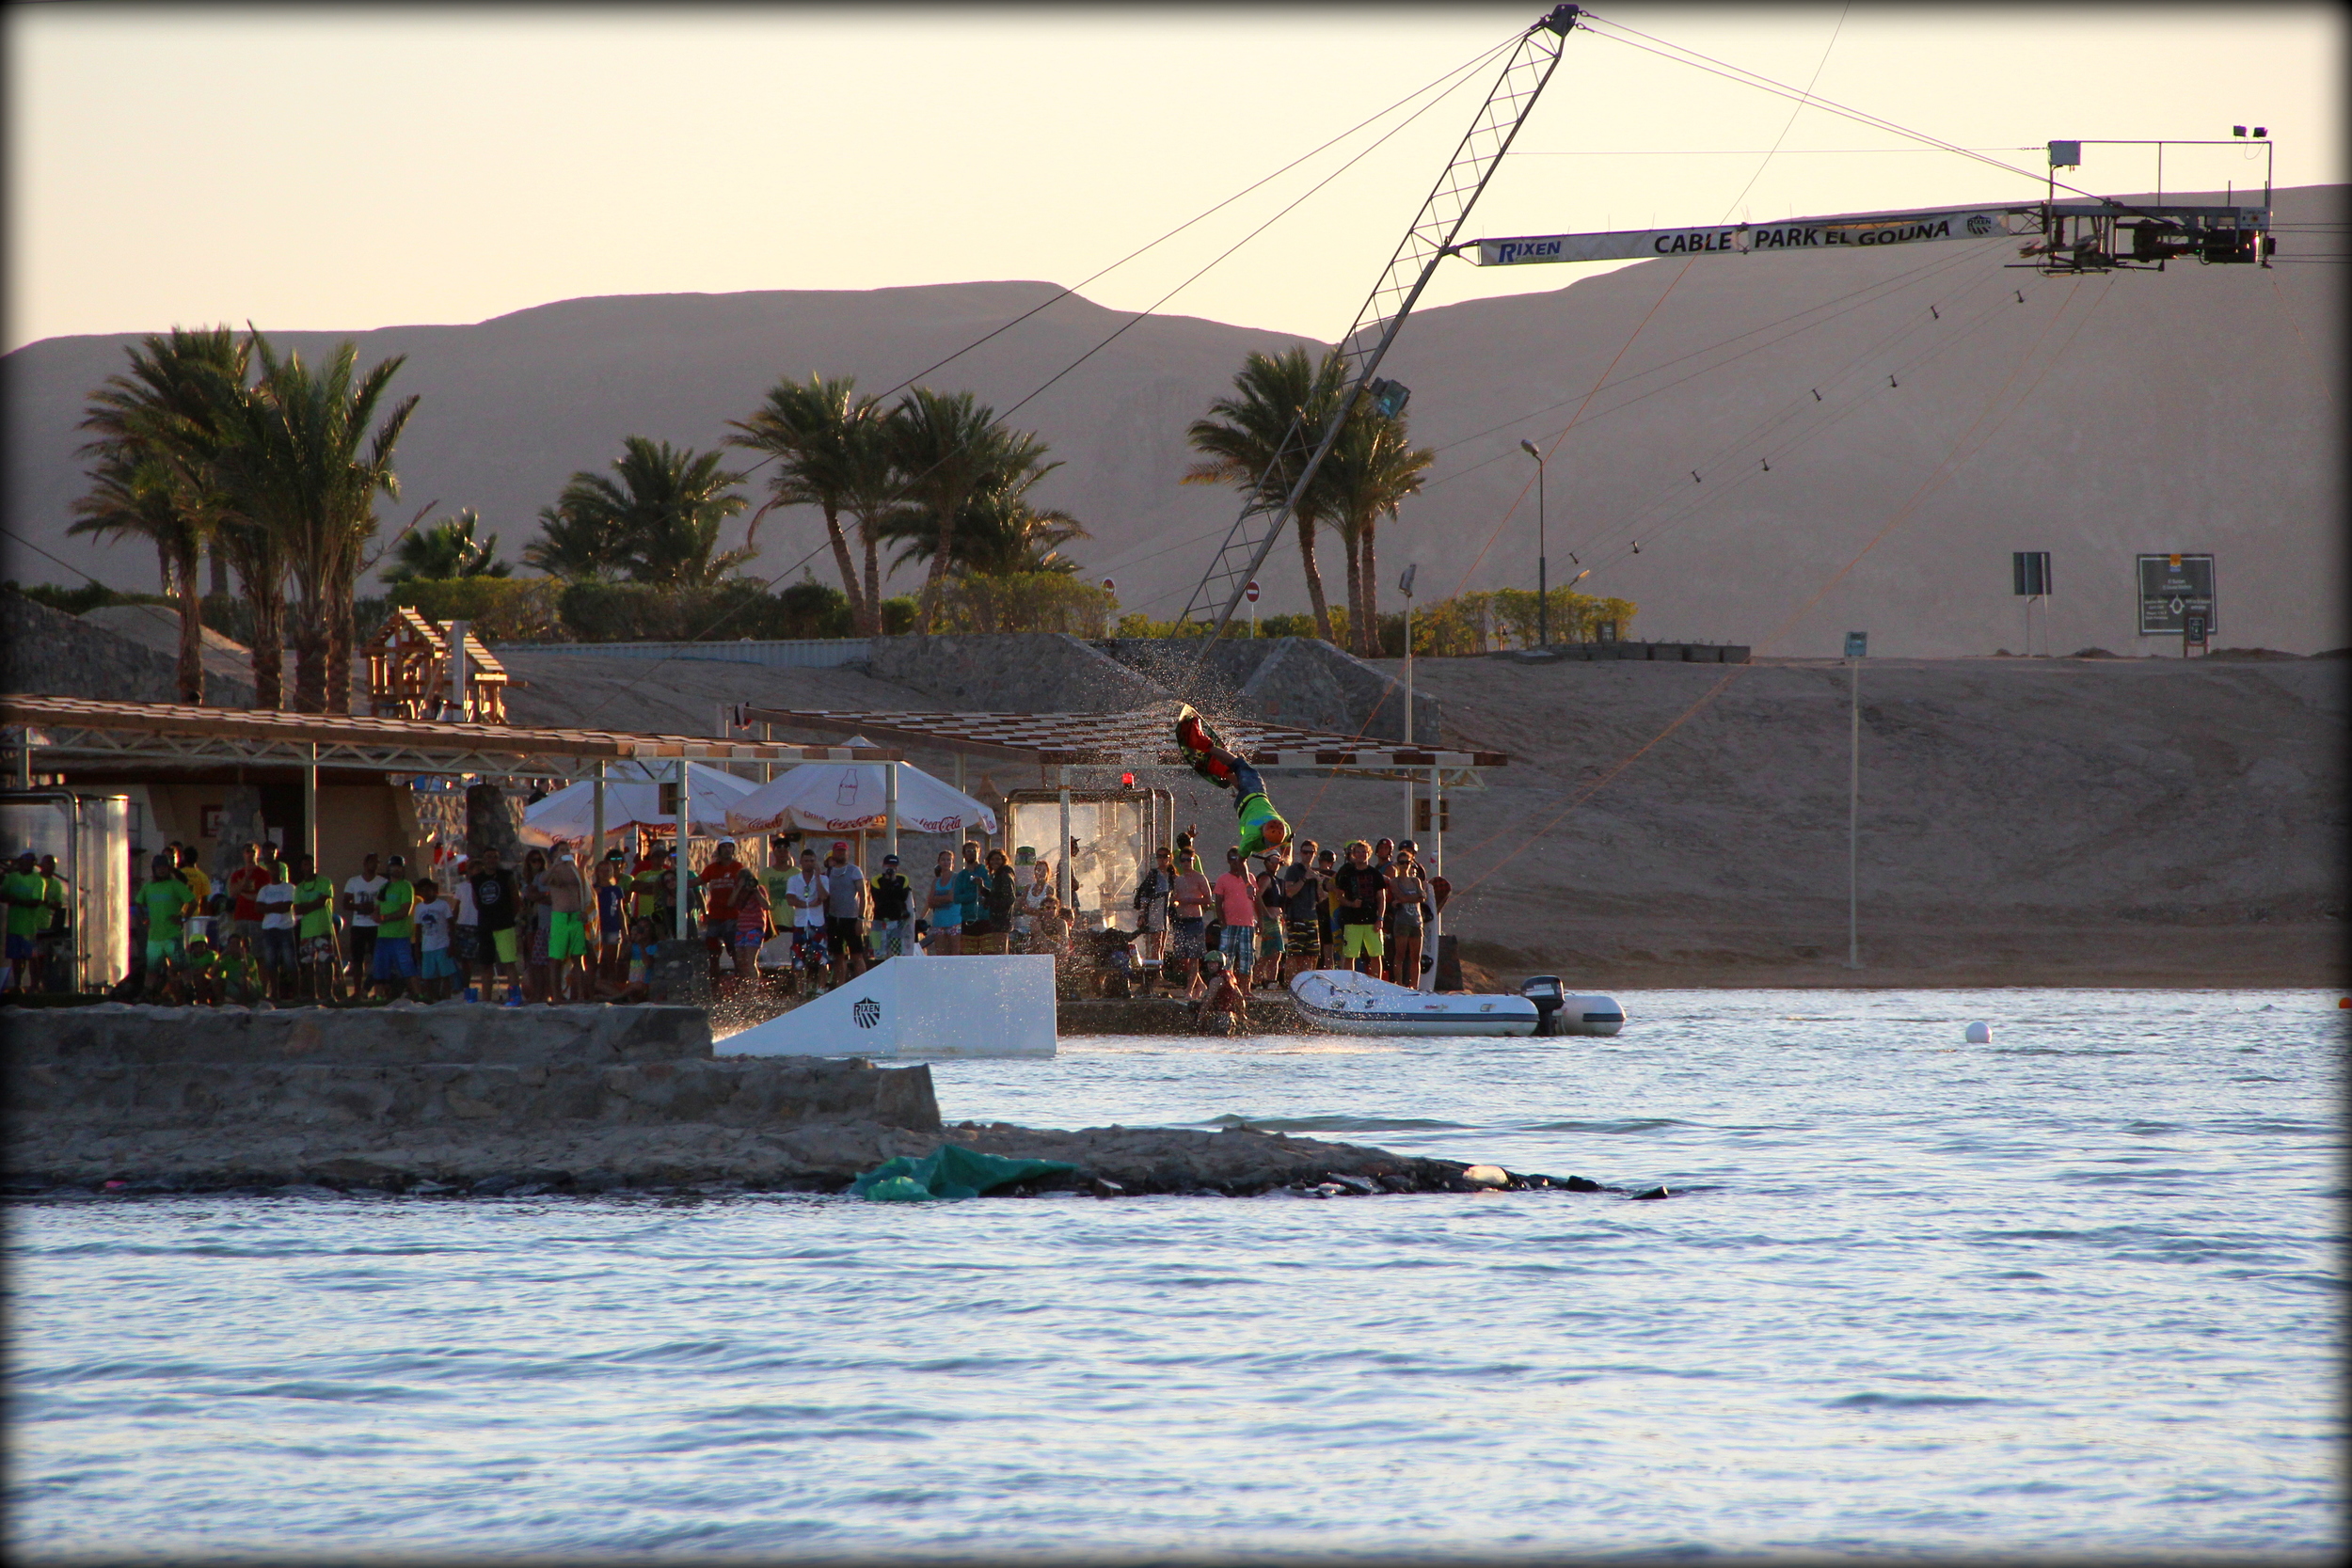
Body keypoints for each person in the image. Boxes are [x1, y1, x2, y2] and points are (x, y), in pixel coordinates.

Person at [1173, 704, 1291, 859]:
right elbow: (1243, 861)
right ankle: (1216, 767)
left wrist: (1286, 856)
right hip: (1241, 805)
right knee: (1237, 780)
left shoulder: (1277, 831)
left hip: (1256, 793)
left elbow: (1287, 848)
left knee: (1241, 765)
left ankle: (1200, 742)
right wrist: (1284, 860)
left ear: (1263, 832)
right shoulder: (1252, 838)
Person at [469, 848, 521, 1005]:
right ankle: (486, 999)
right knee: (486, 964)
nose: (491, 860)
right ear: (483, 860)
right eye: (488, 857)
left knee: (508, 963)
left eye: (494, 857)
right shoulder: (477, 879)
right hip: (485, 925)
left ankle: (515, 997)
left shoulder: (506, 876)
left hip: (504, 925)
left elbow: (515, 899)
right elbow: (477, 902)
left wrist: (508, 917)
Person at [542, 845, 590, 1003]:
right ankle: (556, 996)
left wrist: (584, 910)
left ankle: (580, 995)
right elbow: (543, 880)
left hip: (576, 915)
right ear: (555, 853)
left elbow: (583, 891)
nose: (565, 853)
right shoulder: (554, 871)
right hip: (560, 917)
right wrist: (555, 864)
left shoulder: (575, 870)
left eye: (567, 850)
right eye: (561, 850)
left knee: (578, 957)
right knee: (556, 959)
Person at [1333, 840, 1387, 977]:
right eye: (1358, 852)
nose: (1361, 855)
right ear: (1353, 855)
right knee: (1350, 955)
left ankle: (1376, 984)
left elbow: (1381, 898)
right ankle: (1349, 985)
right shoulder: (1347, 873)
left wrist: (1380, 919)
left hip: (1371, 920)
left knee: (1375, 954)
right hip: (1352, 920)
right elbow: (1339, 895)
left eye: (1364, 852)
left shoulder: (1375, 874)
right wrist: (1351, 904)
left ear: (1369, 854)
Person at [290, 853, 340, 1002]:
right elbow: (297, 910)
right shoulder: (299, 888)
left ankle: (327, 994)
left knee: (326, 962)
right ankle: (310, 995)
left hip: (323, 928)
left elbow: (322, 902)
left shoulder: (325, 882)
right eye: (304, 864)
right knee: (307, 964)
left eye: (310, 864)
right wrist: (313, 904)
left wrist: (307, 906)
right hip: (306, 931)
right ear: (301, 867)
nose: (307, 867)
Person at [1211, 847, 1261, 990]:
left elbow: (1256, 900)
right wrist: (1223, 924)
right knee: (1227, 959)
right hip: (1230, 925)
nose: (1235, 863)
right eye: (1233, 859)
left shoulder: (1250, 878)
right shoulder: (1223, 879)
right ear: (1228, 861)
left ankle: (1246, 990)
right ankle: (1226, 989)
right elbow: (1218, 903)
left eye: (1238, 859)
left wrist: (1260, 920)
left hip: (1248, 924)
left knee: (1247, 959)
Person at [1276, 840, 1325, 983]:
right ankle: (1290, 982)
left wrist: (1319, 882)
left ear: (1315, 854)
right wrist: (1305, 879)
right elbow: (1289, 892)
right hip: (1296, 916)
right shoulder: (1294, 870)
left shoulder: (1313, 872)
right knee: (1295, 953)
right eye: (1305, 852)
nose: (1308, 855)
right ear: (1300, 853)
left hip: (1312, 916)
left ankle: (1306, 983)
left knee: (1312, 953)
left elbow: (1321, 898)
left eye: (1311, 852)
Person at [371, 855, 419, 997]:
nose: (395, 869)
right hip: (383, 935)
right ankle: (378, 997)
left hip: (400, 935)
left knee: (407, 967)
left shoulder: (406, 886)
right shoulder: (384, 887)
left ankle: (418, 995)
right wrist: (375, 915)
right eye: (393, 866)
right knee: (379, 968)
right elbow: (377, 907)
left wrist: (385, 918)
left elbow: (405, 910)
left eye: (399, 867)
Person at [1166, 848, 1212, 995]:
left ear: (1193, 861)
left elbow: (1208, 900)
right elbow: (1177, 899)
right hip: (1181, 920)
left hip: (1194, 920)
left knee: (1194, 957)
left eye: (1188, 860)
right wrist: (1175, 902)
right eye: (1183, 860)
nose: (1186, 863)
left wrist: (1191, 900)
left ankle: (1189, 989)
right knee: (1182, 957)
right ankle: (1200, 984)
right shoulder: (1178, 880)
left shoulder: (1200, 878)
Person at [822, 840, 868, 985]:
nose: (840, 853)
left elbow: (863, 895)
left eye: (843, 851)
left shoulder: (854, 870)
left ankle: (863, 985)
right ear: (833, 853)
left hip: (851, 918)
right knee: (838, 956)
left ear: (847, 853)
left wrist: (861, 918)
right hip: (834, 918)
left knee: (856, 955)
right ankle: (840, 987)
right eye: (838, 851)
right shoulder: (829, 873)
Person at [783, 848, 829, 993]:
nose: (809, 863)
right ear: (801, 862)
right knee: (797, 958)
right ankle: (800, 990)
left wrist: (818, 877)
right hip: (800, 922)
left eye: (812, 861)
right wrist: (807, 904)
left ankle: (820, 989)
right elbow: (790, 899)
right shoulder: (794, 879)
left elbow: (824, 897)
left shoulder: (824, 879)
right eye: (807, 861)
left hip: (817, 923)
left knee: (822, 958)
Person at [1387, 844, 1431, 992]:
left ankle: (1414, 985)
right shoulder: (1395, 882)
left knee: (1415, 956)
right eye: (1402, 862)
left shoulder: (1415, 881)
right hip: (1402, 921)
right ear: (1397, 865)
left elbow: (1422, 897)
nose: (1405, 865)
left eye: (1407, 862)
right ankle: (1399, 984)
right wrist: (1412, 898)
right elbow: (1401, 896)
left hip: (1416, 921)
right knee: (1400, 954)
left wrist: (1405, 899)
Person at [2, 849, 46, 991]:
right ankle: (17, 985)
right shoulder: (12, 877)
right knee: (16, 958)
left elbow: (36, 902)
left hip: (29, 926)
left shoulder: (38, 880)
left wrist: (16, 900)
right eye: (25, 861)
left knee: (32, 957)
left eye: (31, 861)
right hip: (14, 924)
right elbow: (2, 895)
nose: (27, 864)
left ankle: (34, 985)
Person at [342, 852, 386, 993]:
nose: (375, 865)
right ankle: (357, 990)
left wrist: (374, 909)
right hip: (359, 925)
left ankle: (377, 990)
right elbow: (346, 903)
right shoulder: (353, 882)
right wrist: (359, 907)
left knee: (377, 959)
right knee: (357, 960)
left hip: (376, 926)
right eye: (372, 862)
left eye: (377, 862)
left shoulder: (383, 883)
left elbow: (387, 903)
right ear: (365, 864)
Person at [1132, 847, 1172, 991]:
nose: (1161, 860)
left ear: (1169, 858)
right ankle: (1155, 974)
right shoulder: (1154, 875)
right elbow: (1145, 896)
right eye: (1159, 857)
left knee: (1161, 944)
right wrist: (1142, 914)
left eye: (1164, 857)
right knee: (1155, 944)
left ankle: (1158, 971)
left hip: (1164, 913)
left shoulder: (1171, 874)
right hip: (1155, 912)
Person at [701, 840, 742, 981]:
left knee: (735, 952)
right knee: (712, 953)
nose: (727, 850)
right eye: (724, 847)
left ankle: (740, 985)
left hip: (732, 916)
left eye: (730, 847)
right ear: (719, 850)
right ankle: (714, 988)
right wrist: (680, 882)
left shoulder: (738, 868)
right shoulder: (711, 869)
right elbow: (699, 881)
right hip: (715, 916)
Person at [256, 859, 297, 998]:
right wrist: (275, 906)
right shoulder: (264, 889)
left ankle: (296, 993)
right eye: (270, 869)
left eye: (275, 869)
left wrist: (268, 907)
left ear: (279, 871)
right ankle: (274, 993)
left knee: (290, 961)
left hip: (285, 928)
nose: (272, 872)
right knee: (271, 962)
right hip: (269, 928)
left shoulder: (289, 888)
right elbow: (258, 908)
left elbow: (286, 907)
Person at [730, 863, 771, 993]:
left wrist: (756, 891)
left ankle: (753, 990)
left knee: (750, 960)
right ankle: (745, 988)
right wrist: (739, 888)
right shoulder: (738, 891)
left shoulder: (759, 889)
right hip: (741, 927)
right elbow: (730, 903)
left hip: (755, 927)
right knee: (741, 961)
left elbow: (766, 905)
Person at [36, 852, 72, 993]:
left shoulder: (56, 884)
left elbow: (58, 904)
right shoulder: (35, 879)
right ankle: (33, 983)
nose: (51, 867)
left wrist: (47, 902)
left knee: (44, 956)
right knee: (31, 956)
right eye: (48, 863)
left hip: (46, 924)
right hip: (30, 922)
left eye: (53, 865)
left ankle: (44, 984)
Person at [225, 841, 267, 952]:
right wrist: (246, 877)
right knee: (241, 949)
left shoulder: (265, 874)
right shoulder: (237, 874)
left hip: (257, 917)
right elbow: (233, 893)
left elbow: (263, 896)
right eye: (248, 851)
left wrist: (243, 893)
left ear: (258, 853)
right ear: (243, 854)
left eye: (253, 851)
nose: (250, 854)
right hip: (241, 916)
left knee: (258, 951)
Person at [870, 853, 914, 960]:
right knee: (878, 954)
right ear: (883, 866)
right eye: (889, 867)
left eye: (894, 867)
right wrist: (886, 880)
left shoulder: (903, 879)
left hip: (897, 921)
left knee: (896, 953)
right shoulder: (876, 880)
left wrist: (894, 881)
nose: (891, 869)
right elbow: (879, 897)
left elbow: (902, 896)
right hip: (879, 920)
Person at [1195, 951, 1248, 1035]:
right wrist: (1242, 1014)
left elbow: (1209, 1000)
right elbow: (1240, 998)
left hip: (1222, 1018)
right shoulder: (1230, 977)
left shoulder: (1216, 980)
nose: (1210, 966)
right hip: (1230, 1017)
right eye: (1209, 963)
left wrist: (1200, 1018)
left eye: (1213, 963)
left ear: (1220, 964)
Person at [594, 848, 627, 982]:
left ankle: (612, 984)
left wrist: (625, 931)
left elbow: (620, 911)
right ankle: (600, 985)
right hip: (597, 928)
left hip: (613, 927)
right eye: (602, 870)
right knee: (599, 961)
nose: (605, 873)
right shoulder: (593, 889)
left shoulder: (616, 890)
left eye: (607, 870)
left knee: (612, 960)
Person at [925, 848, 963, 956]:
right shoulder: (936, 881)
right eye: (943, 860)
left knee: (955, 951)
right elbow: (930, 902)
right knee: (940, 953)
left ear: (952, 862)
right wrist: (943, 899)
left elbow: (951, 897)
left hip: (954, 920)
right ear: (939, 862)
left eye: (948, 860)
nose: (946, 862)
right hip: (939, 921)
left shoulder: (956, 877)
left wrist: (937, 899)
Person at [951, 841, 989, 946]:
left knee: (988, 950)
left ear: (979, 853)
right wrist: (975, 894)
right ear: (964, 854)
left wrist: (981, 887)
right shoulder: (961, 875)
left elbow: (989, 891)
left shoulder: (986, 871)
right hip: (967, 918)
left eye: (974, 851)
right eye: (968, 851)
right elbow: (957, 898)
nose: (971, 853)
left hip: (984, 918)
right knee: (969, 951)